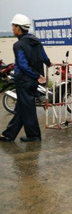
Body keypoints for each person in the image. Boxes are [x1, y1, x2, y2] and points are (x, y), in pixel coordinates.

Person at [0, 14, 52, 142]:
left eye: (13, 26)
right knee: (22, 108)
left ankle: (34, 136)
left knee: (27, 108)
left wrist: (36, 75)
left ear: (19, 27)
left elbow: (23, 65)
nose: (12, 28)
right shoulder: (36, 41)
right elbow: (44, 57)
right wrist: (48, 64)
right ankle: (9, 134)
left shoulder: (18, 45)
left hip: (23, 80)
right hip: (32, 81)